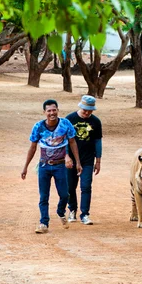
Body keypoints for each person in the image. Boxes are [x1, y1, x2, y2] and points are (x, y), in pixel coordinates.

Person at [21, 100, 82, 234]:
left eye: (54, 110)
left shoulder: (65, 124)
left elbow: (72, 143)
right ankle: (43, 223)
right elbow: (32, 147)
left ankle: (61, 211)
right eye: (49, 111)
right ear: (44, 113)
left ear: (57, 110)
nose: (52, 113)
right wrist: (25, 166)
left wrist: (77, 162)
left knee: (65, 195)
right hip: (44, 165)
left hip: (60, 165)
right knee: (44, 196)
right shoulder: (38, 127)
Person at [65, 95, 103, 225]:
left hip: (87, 159)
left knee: (86, 186)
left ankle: (85, 214)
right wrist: (66, 156)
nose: (87, 113)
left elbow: (98, 142)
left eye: (90, 110)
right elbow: (64, 141)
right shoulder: (69, 119)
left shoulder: (96, 122)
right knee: (70, 186)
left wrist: (98, 161)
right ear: (80, 107)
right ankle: (72, 210)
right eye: (85, 110)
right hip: (71, 159)